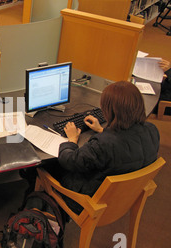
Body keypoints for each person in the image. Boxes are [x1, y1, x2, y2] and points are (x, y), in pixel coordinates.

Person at [25, 81, 160, 214]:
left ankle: (37, 207)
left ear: (110, 110)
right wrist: (102, 130)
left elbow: (70, 161)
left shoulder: (103, 144)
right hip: (126, 195)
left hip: (89, 200)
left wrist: (72, 140)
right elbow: (126, 143)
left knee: (39, 167)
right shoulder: (152, 130)